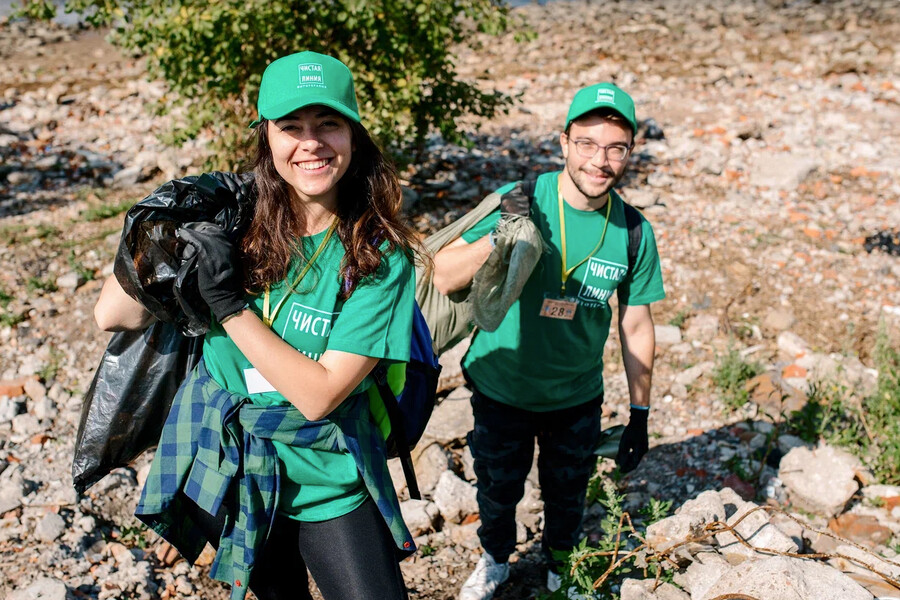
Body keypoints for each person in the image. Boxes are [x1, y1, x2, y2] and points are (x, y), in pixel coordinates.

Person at [93, 51, 418, 600]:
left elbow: (319, 395)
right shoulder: (230, 221)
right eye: (291, 127)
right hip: (236, 463)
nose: (310, 144)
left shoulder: (378, 256)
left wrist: (226, 305)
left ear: (354, 137)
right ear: (267, 138)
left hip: (326, 470)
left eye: (329, 125)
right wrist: (159, 233)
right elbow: (113, 315)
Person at [432, 83, 665, 600]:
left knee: (568, 494)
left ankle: (563, 565)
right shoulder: (522, 199)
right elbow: (444, 276)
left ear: (630, 152)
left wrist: (641, 413)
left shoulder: (632, 231)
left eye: (615, 147)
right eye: (586, 143)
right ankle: (494, 559)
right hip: (500, 385)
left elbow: (636, 323)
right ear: (563, 142)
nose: (599, 160)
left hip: (576, 397)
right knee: (498, 489)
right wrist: (504, 232)